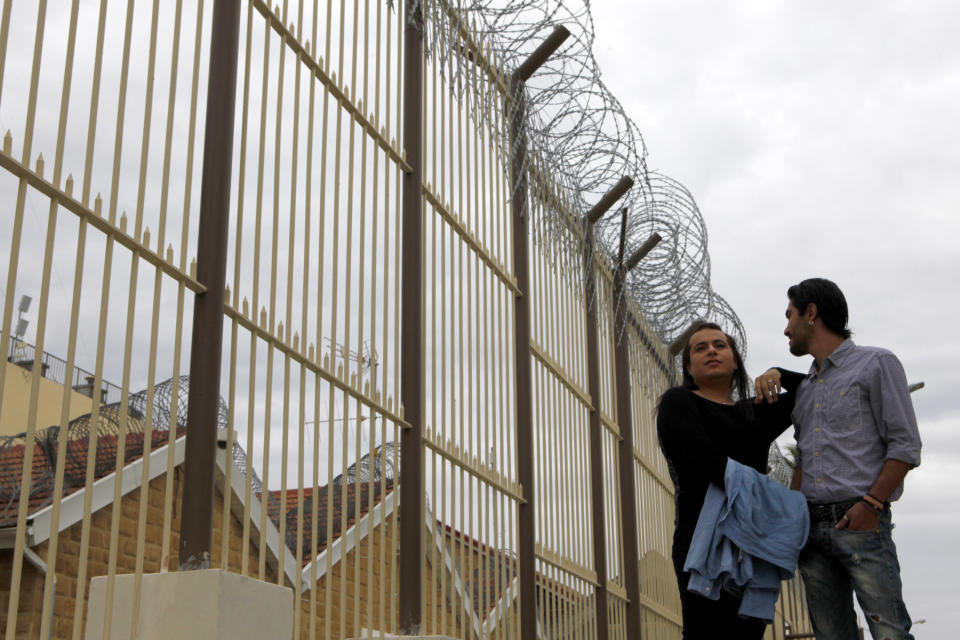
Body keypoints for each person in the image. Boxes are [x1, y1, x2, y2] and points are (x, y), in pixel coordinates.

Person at [784, 278, 921, 640]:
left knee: (890, 633)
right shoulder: (805, 389)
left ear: (811, 314)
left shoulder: (877, 363)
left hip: (861, 523)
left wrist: (871, 505)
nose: (786, 329)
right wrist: (796, 517)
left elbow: (905, 446)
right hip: (812, 534)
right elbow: (802, 461)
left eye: (790, 316)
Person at [656, 321, 805, 639]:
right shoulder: (678, 403)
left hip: (752, 544)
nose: (711, 350)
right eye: (701, 348)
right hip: (701, 541)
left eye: (720, 345)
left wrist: (781, 372)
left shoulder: (755, 413)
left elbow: (816, 388)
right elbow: (705, 462)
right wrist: (780, 499)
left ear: (735, 361)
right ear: (688, 366)